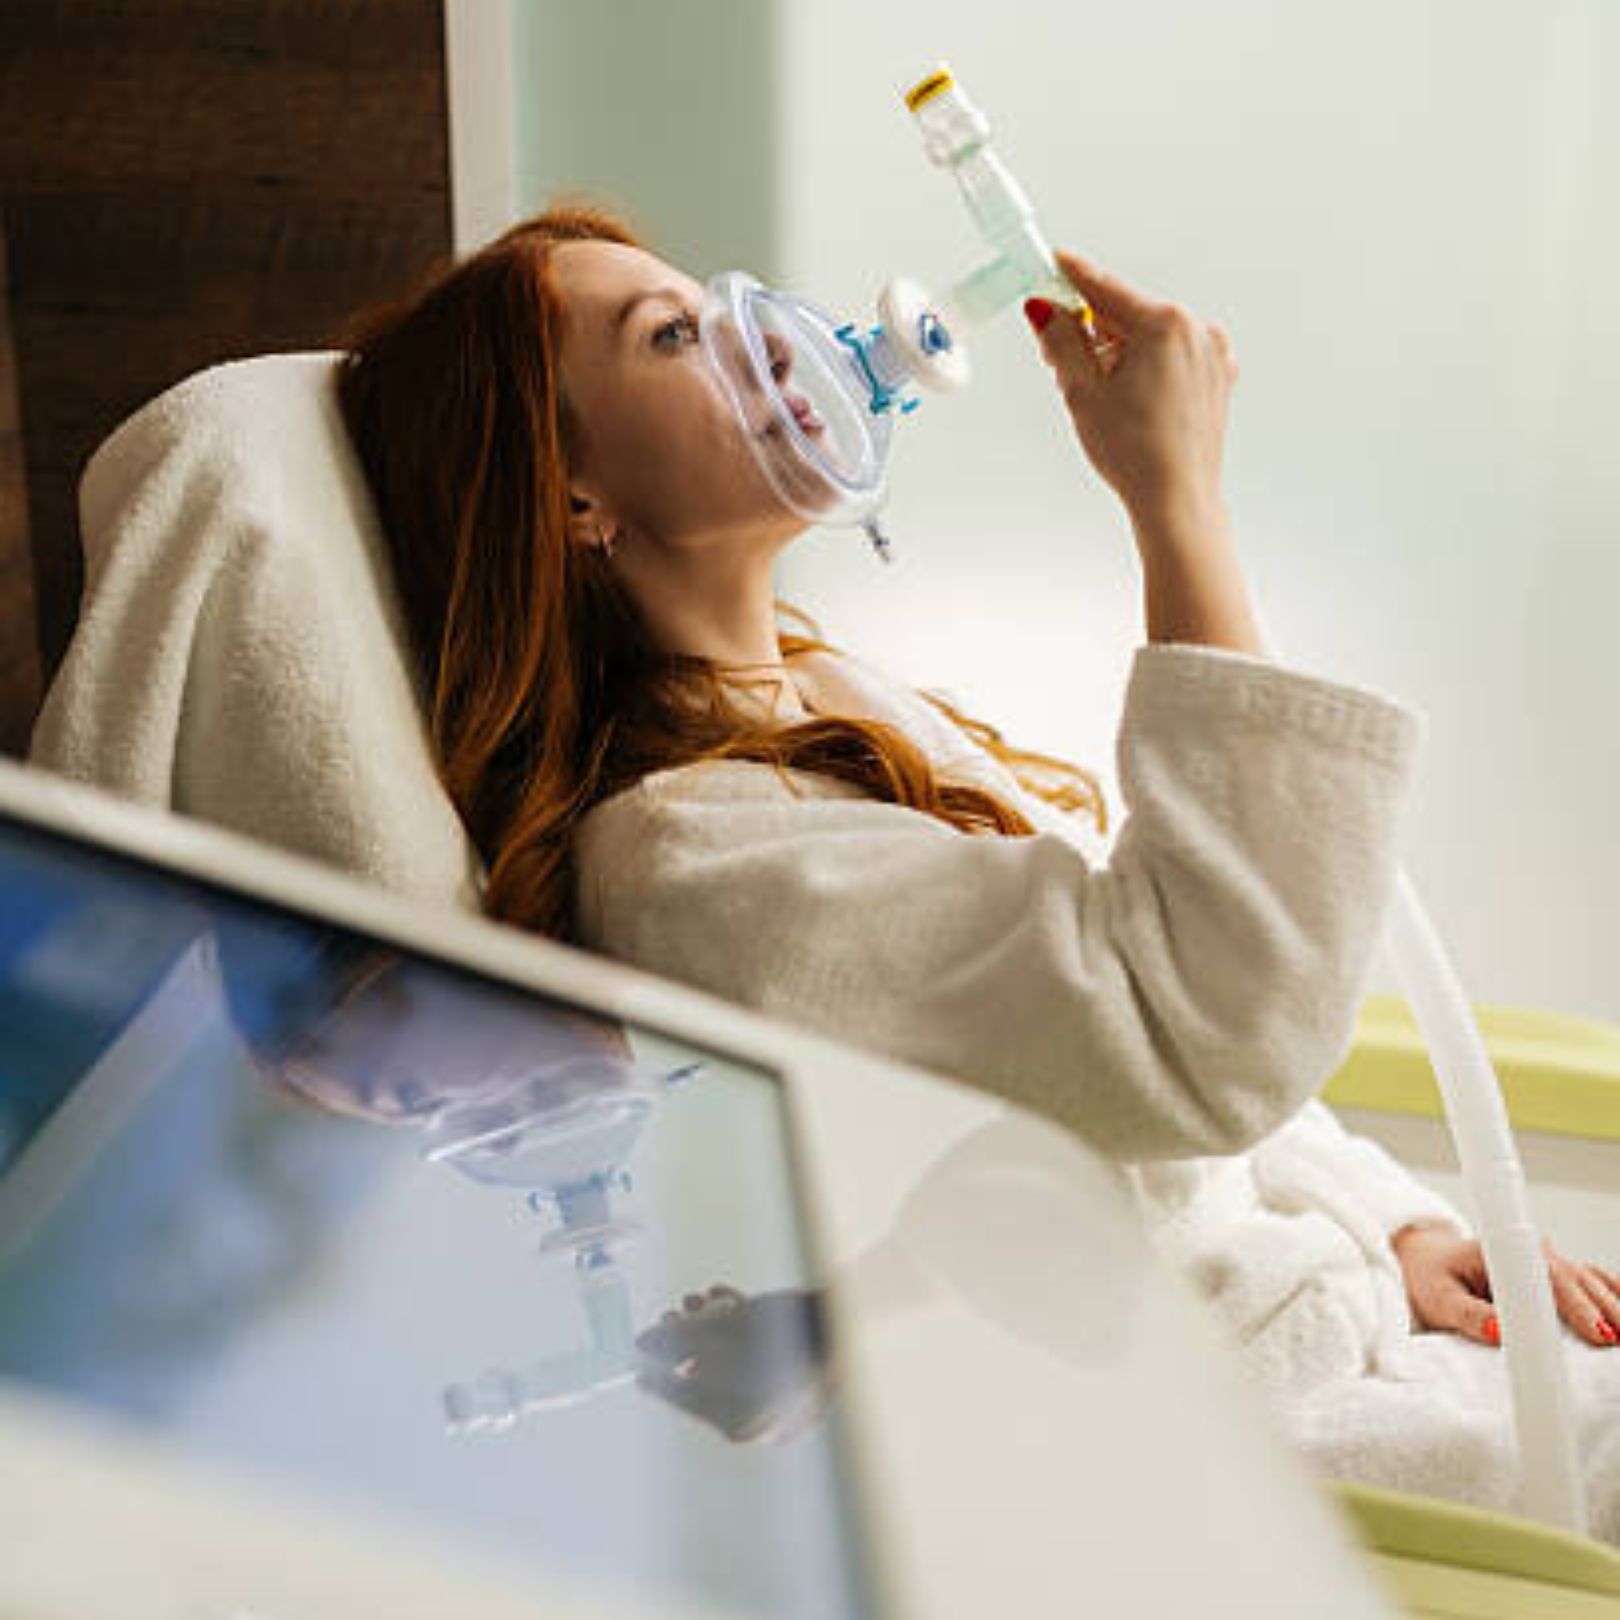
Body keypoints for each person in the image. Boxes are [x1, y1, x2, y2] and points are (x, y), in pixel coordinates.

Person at [335, 205, 1618, 1536]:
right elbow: (1198, 1021)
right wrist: (1175, 503)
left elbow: (1125, 1041)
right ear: (574, 496)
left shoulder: (835, 705)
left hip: (1358, 1322)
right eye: (672, 335)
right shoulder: (698, 863)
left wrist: (1392, 1224)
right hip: (1263, 1444)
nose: (764, 334)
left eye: (724, 298)